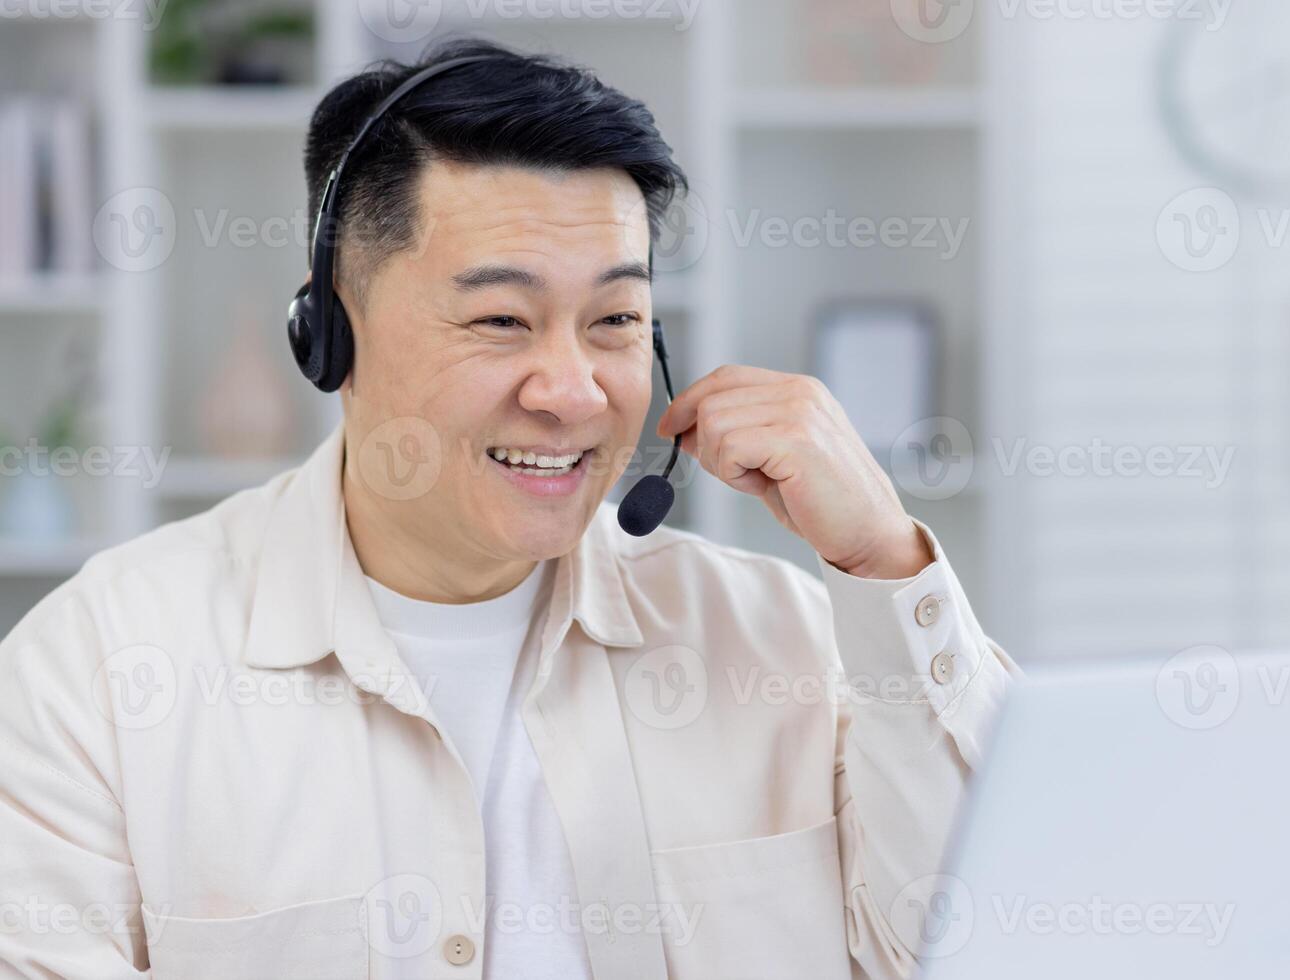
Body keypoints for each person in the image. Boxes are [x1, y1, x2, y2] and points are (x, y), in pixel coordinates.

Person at [0, 38, 1015, 980]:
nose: (572, 391)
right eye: (500, 319)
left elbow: (979, 944)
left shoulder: (784, 638)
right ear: (328, 336)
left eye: (615, 319)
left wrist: (885, 562)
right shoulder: (95, 676)